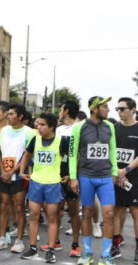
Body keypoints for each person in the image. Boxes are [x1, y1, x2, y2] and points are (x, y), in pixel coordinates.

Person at [69, 96, 118, 265]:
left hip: (105, 177)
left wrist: (114, 173)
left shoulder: (110, 126)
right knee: (87, 212)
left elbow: (112, 151)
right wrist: (73, 177)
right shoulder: (79, 128)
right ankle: (88, 253)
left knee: (109, 214)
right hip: (86, 176)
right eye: (105, 106)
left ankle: (106, 255)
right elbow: (72, 154)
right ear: (95, 109)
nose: (108, 109)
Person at [19, 113, 67, 263]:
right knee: (33, 215)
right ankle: (33, 248)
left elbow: (73, 158)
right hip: (36, 182)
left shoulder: (61, 141)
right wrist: (22, 171)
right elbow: (27, 155)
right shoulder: (35, 139)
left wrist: (69, 175)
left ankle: (51, 249)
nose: (38, 127)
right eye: (37, 124)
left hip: (53, 183)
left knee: (52, 218)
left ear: (51, 126)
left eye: (42, 125)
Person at [0, 103, 34, 253]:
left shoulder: (29, 132)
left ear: (20, 117)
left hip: (19, 175)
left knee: (19, 207)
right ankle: (2, 238)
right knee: (4, 206)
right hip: (4, 175)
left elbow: (27, 156)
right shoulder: (4, 131)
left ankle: (19, 241)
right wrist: (3, 171)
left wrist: (12, 172)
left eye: (11, 114)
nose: (8, 117)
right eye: (7, 114)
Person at [111, 97, 138, 261]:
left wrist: (126, 170)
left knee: (135, 211)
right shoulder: (114, 128)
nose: (119, 112)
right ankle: (115, 244)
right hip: (117, 176)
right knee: (117, 209)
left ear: (133, 109)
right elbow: (110, 152)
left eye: (122, 109)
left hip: (134, 176)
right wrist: (117, 172)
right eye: (117, 109)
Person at [55, 101, 82, 257]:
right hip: (57, 175)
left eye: (60, 109)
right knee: (56, 210)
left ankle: (75, 245)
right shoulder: (58, 129)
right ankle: (55, 242)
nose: (59, 112)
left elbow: (78, 155)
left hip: (71, 176)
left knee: (72, 210)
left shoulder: (78, 128)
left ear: (65, 111)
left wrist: (72, 175)